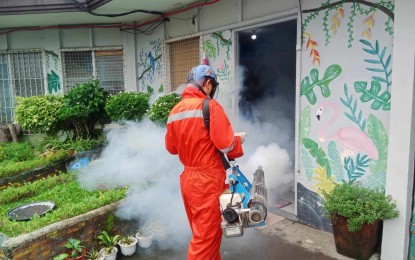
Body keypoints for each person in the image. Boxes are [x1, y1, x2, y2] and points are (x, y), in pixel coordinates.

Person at [165, 64, 246, 260]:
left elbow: (172, 148)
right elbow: (226, 145)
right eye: (213, 86)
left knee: (203, 233)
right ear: (208, 83)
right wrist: (238, 140)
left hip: (188, 180)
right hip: (207, 181)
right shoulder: (210, 106)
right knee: (205, 240)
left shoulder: (175, 111)